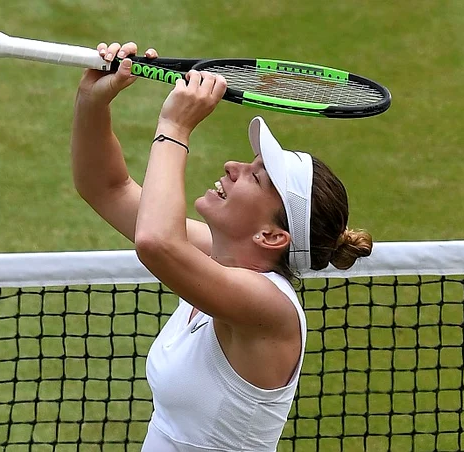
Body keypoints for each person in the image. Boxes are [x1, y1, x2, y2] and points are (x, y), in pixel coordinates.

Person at [71, 41, 372, 452]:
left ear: (271, 236)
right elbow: (106, 188)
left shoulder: (269, 308)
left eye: (256, 176)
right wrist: (92, 100)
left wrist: (175, 127)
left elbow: (156, 241)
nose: (234, 166)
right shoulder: (218, 257)